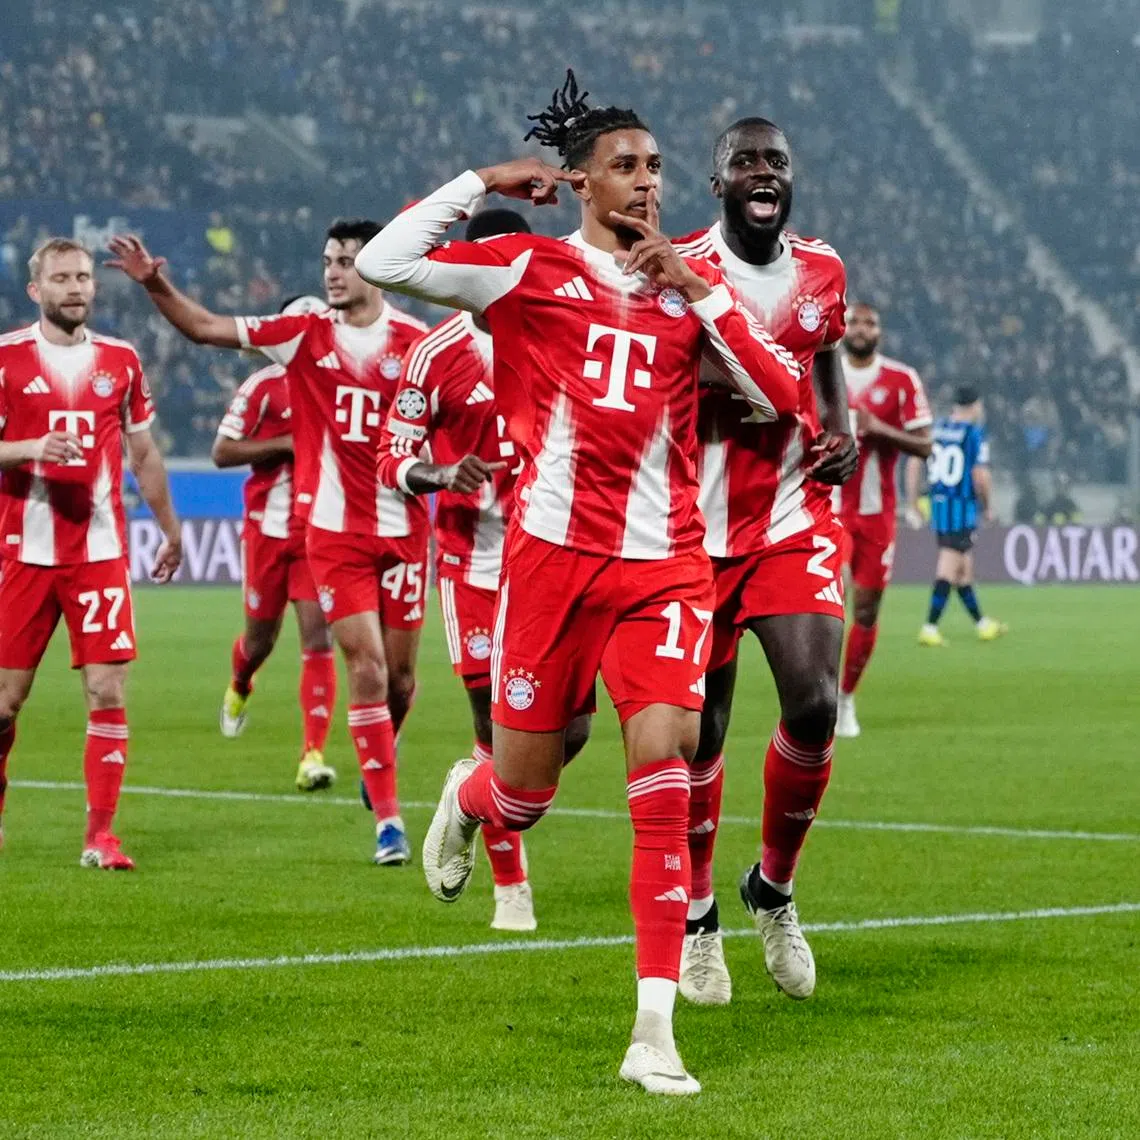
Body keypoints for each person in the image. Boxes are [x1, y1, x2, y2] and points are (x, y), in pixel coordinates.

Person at [356, 71, 800, 1094]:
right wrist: (482, 179)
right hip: (551, 569)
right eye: (627, 167)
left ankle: (652, 1034)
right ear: (586, 182)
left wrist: (701, 289)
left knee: (665, 774)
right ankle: (470, 804)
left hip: (666, 571)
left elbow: (779, 397)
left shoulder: (690, 289)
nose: (649, 183)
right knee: (528, 788)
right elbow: (388, 260)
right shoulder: (522, 269)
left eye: (656, 167)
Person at [107, 220, 430, 865]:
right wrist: (156, 284)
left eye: (346, 261)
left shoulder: (422, 347)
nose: (332, 272)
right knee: (360, 665)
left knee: (399, 682)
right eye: (328, 261)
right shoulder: (303, 338)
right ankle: (389, 824)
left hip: (404, 529)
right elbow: (206, 328)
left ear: (379, 267)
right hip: (333, 535)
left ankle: (378, 758)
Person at [670, 117, 856, 1007]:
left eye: (775, 160)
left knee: (816, 702)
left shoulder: (822, 270)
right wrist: (740, 374)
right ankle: (700, 916)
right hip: (689, 529)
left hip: (789, 513)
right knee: (701, 733)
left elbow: (818, 360)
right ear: (717, 184)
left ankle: (771, 890)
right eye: (744, 161)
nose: (761, 172)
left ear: (791, 178)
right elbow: (671, 373)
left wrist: (842, 425)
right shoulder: (678, 268)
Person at [378, 208, 593, 932]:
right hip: (476, 563)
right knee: (496, 723)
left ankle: (466, 792)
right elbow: (392, 457)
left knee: (574, 732)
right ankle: (511, 888)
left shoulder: (559, 329)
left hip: (559, 556)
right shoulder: (433, 354)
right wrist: (439, 472)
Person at [0, 237, 182, 867]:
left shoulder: (122, 360)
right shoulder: (6, 359)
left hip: (100, 552)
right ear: (36, 291)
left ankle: (101, 837)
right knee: (4, 703)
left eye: (83, 277)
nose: (76, 287)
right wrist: (28, 450)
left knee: (107, 690)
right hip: (22, 550)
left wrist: (170, 528)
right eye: (61, 279)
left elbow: (144, 452)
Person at [211, 294, 337, 793]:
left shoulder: (339, 382)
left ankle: (312, 754)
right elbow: (221, 451)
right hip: (266, 530)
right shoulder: (262, 387)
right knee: (259, 641)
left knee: (318, 638)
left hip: (317, 527)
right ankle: (241, 682)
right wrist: (287, 444)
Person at [835, 303, 932, 738]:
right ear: (843, 326)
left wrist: (877, 429)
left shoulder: (901, 380)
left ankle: (845, 699)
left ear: (880, 332)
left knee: (867, 611)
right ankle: (815, 697)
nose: (860, 328)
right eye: (854, 320)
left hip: (877, 516)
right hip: (826, 511)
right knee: (827, 603)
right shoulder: (821, 371)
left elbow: (925, 446)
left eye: (869, 322)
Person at [912, 385, 1006, 645]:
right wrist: (988, 505)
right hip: (961, 509)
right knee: (949, 568)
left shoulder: (938, 429)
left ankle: (982, 624)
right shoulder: (974, 433)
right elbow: (980, 475)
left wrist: (912, 500)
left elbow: (915, 461)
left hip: (940, 506)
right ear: (975, 405)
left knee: (963, 571)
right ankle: (929, 627)